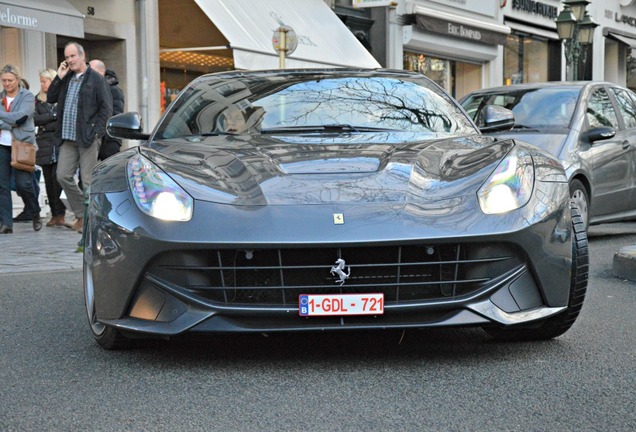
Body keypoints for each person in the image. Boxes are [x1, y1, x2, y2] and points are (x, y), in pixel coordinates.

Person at [47, 42, 112, 233]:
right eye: (67, 57)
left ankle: (92, 221)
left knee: (88, 181)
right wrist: (58, 77)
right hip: (67, 138)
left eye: (73, 56)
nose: (69, 60)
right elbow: (50, 98)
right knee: (62, 176)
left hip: (87, 138)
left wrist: (96, 132)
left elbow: (106, 109)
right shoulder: (66, 78)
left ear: (82, 56)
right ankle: (82, 215)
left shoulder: (96, 79)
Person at [0, 64, 42, 233]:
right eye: (3, 80)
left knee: (23, 184)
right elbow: (13, 120)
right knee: (2, 186)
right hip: (2, 145)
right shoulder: (1, 97)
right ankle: (6, 223)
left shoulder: (27, 97)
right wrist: (9, 122)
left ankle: (35, 212)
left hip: (22, 145)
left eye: (10, 80)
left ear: (17, 80)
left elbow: (20, 118)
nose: (7, 84)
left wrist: (5, 121)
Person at [34, 68, 67, 227]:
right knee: (48, 181)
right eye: (41, 81)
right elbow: (35, 119)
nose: (42, 84)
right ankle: (54, 214)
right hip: (44, 144)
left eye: (45, 81)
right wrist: (52, 117)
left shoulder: (61, 97)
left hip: (59, 143)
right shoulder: (37, 100)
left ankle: (61, 214)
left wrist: (48, 121)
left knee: (58, 178)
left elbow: (62, 119)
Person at [12, 77, 41, 223]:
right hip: (8, 144)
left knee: (26, 181)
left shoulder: (28, 102)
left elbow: (19, 119)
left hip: (24, 145)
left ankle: (32, 209)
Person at [89, 59, 124, 160]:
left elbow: (115, 115)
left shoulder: (114, 91)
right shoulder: (90, 88)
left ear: (100, 72)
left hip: (109, 140)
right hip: (91, 138)